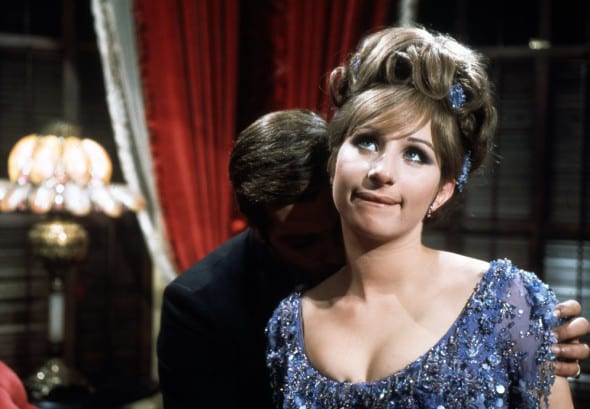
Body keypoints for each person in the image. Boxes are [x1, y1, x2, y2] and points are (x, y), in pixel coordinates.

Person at [157, 111, 589, 407]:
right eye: (304, 242)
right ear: (259, 231)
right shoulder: (202, 304)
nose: (332, 251)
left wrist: (519, 334)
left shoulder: (495, 293)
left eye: (336, 229)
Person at [266, 27, 580, 408]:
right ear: (334, 162)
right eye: (367, 142)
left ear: (443, 190)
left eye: (415, 154)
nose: (382, 171)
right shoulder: (290, 324)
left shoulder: (507, 303)